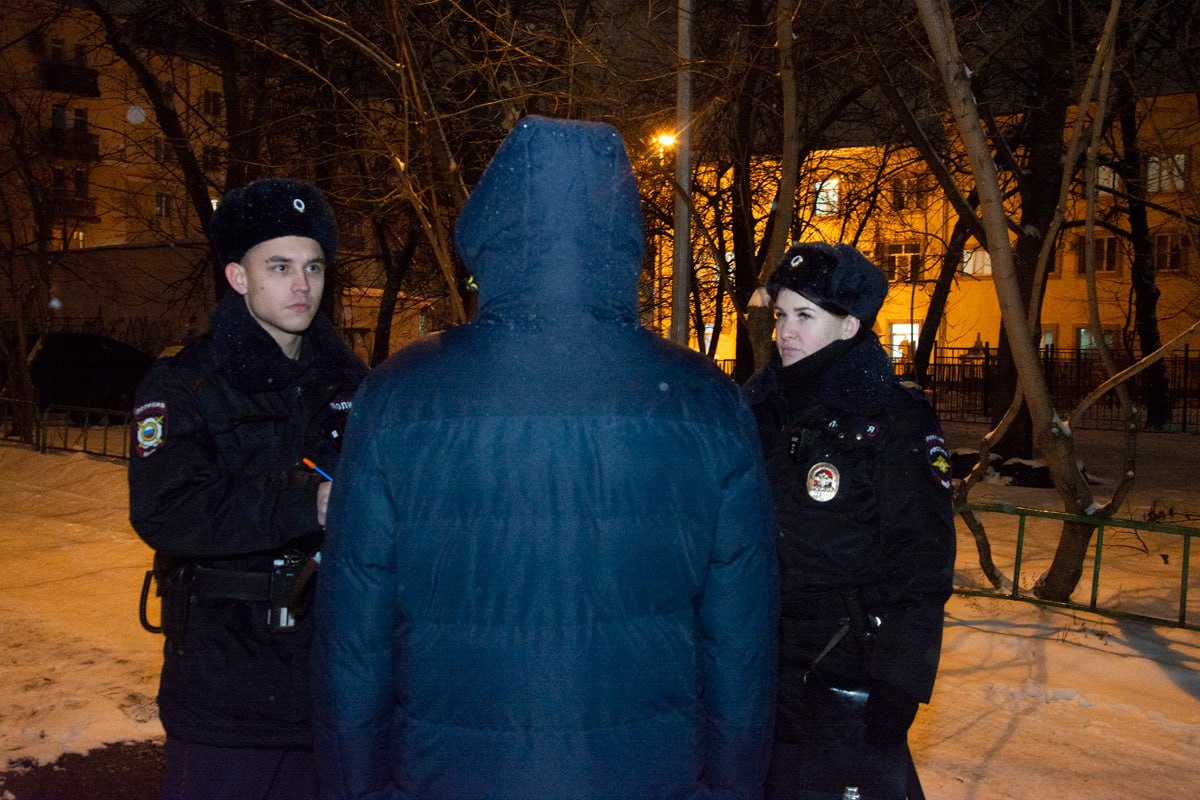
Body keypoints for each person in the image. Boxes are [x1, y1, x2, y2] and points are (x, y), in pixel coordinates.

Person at [312, 115, 778, 800]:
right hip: (646, 773)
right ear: (623, 238)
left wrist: (354, 787)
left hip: (451, 773)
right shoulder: (707, 402)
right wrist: (733, 789)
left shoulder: (399, 395)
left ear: (492, 232)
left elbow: (355, 636)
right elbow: (741, 642)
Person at [128, 177, 368, 800]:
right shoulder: (185, 382)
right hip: (226, 689)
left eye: (313, 266)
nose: (301, 284)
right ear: (238, 277)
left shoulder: (352, 382)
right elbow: (165, 508)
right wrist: (307, 501)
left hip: (331, 682)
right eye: (280, 266)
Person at [742, 242, 955, 800]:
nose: (785, 332)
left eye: (805, 316)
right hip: (756, 657)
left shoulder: (892, 418)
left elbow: (922, 557)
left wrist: (900, 679)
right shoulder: (756, 410)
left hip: (844, 661)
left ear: (849, 325)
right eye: (781, 315)